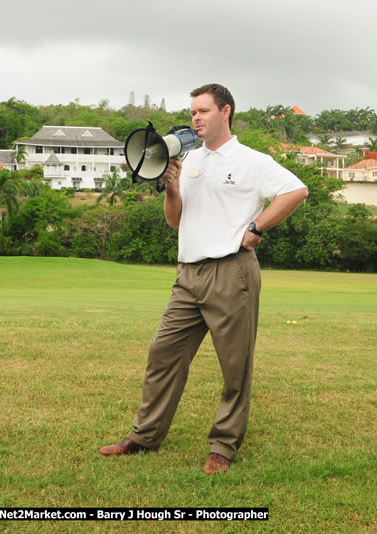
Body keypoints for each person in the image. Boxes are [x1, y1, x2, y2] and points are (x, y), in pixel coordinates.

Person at [99, 83, 308, 474]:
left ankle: (223, 446)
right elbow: (175, 220)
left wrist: (258, 226)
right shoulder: (190, 161)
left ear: (224, 112)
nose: (195, 117)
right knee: (163, 352)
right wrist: (172, 187)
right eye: (192, 111)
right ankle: (144, 435)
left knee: (234, 366)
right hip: (188, 274)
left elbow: (297, 191)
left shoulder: (252, 160)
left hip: (232, 272)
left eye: (203, 111)